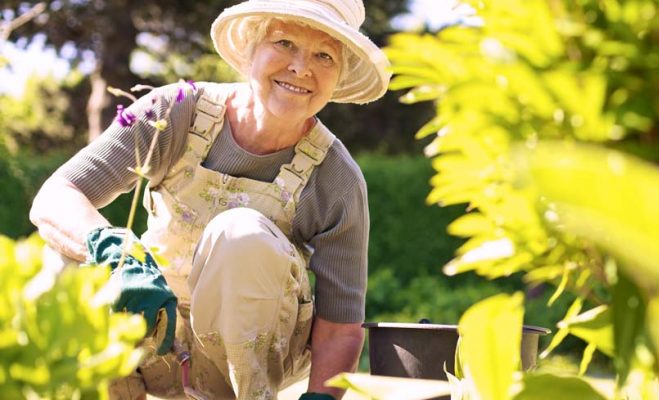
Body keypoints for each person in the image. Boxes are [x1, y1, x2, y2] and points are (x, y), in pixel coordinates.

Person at [29, 0, 390, 398]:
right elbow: (56, 196)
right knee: (62, 262)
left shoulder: (335, 177)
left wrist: (321, 397)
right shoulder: (176, 111)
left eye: (324, 55)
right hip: (149, 335)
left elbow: (340, 327)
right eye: (285, 43)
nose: (302, 68)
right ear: (252, 48)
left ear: (338, 77)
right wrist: (116, 252)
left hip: (247, 366)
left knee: (240, 234)